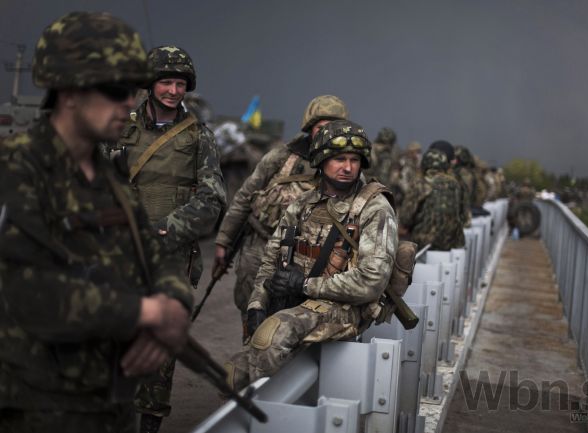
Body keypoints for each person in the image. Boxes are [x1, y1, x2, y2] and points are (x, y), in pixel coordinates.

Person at [0, 12, 193, 433]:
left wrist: (174, 304)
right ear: (70, 92)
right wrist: (144, 312)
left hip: (105, 403)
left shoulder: (109, 179)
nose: (129, 102)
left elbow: (156, 253)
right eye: (116, 90)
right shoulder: (18, 170)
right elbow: (28, 292)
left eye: (132, 90)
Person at [224, 119, 398, 391]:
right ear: (321, 159)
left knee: (273, 336)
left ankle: (274, 415)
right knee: (234, 372)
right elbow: (270, 260)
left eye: (354, 159)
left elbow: (371, 280)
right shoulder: (302, 205)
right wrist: (257, 303)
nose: (348, 167)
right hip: (299, 300)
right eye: (339, 158)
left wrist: (305, 285)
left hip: (344, 308)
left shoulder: (374, 208)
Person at [115, 45, 226, 432]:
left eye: (180, 83)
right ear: (151, 84)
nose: (173, 90)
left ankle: (148, 423)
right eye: (166, 81)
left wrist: (169, 229)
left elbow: (213, 197)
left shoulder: (199, 137)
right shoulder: (119, 127)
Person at [213, 95, 348, 339]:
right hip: (259, 247)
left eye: (332, 127)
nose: (325, 133)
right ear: (309, 128)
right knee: (252, 312)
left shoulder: (345, 167)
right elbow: (244, 197)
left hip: (309, 258)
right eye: (320, 127)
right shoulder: (281, 157)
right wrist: (224, 240)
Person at [399, 148, 465, 250]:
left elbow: (405, 217)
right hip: (450, 243)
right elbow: (461, 214)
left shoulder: (420, 183)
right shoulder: (455, 184)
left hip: (423, 244)